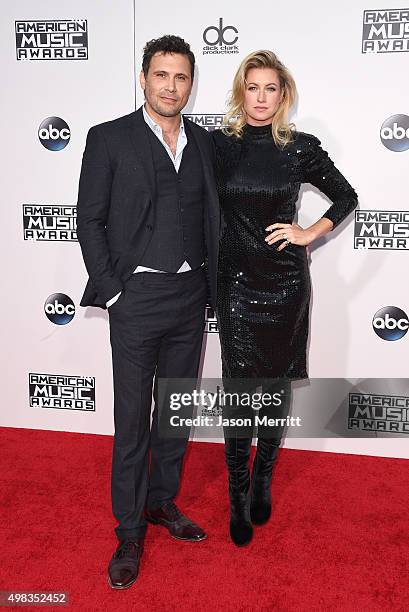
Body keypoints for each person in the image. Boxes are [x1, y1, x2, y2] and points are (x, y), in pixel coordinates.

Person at [77, 35, 219, 589]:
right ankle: (130, 529)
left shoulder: (203, 143)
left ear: (190, 84)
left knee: (175, 412)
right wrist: (114, 290)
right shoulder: (108, 138)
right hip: (135, 299)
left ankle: (163, 504)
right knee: (133, 419)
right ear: (144, 78)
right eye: (161, 75)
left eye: (181, 77)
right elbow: (89, 219)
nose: (171, 86)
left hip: (189, 298)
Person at [211, 50, 358, 546]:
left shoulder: (300, 149)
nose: (261, 98)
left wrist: (309, 232)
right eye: (253, 87)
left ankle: (264, 478)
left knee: (274, 389)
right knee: (238, 395)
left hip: (285, 286)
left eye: (271, 88)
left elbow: (345, 196)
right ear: (240, 92)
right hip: (235, 285)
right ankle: (236, 493)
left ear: (283, 95)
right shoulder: (218, 146)